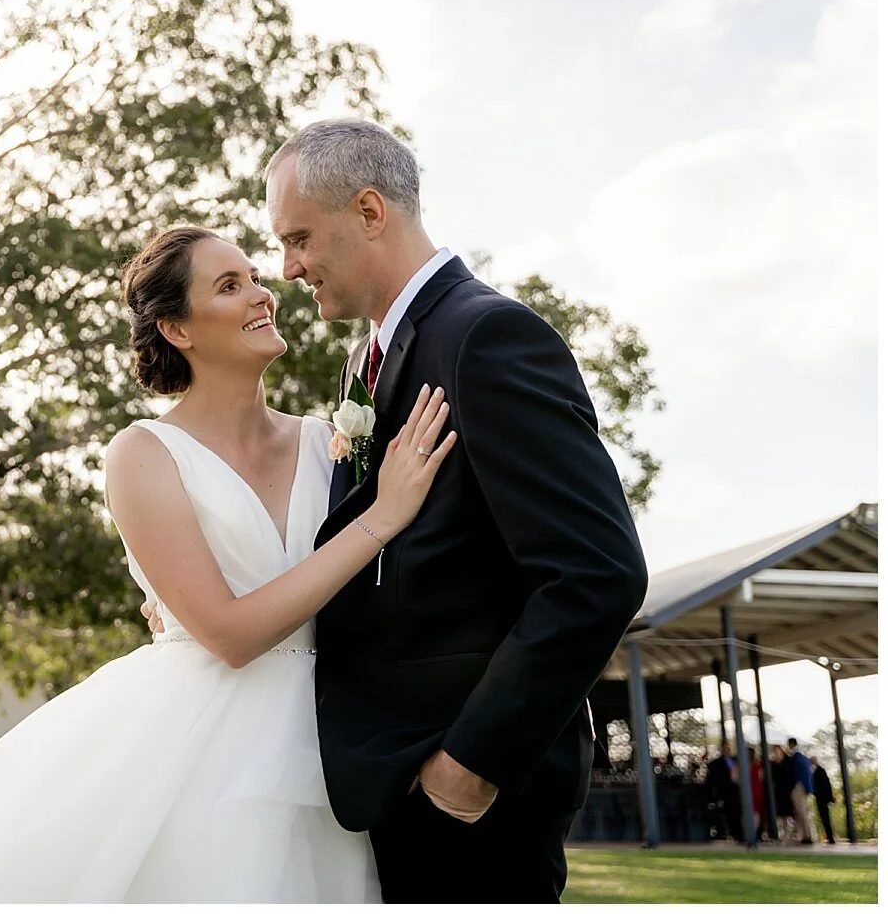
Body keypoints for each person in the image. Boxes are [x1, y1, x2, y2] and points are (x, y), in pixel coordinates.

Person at [0, 226, 456, 902]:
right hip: (195, 748)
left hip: (332, 742)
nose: (262, 293)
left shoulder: (326, 443)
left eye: (254, 276)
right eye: (230, 285)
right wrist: (380, 518)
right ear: (177, 329)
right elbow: (231, 632)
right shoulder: (142, 453)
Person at [149, 119, 648, 901]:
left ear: (371, 212)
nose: (288, 268)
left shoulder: (485, 336)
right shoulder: (365, 359)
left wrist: (472, 763)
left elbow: (597, 573)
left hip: (471, 797)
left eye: (298, 238)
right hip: (377, 783)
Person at [705, 742, 742, 841]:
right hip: (725, 791)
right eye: (726, 748)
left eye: (729, 748)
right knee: (728, 812)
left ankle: (737, 832)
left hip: (736, 791)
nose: (728, 750)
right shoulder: (715, 764)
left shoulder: (736, 760)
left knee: (737, 812)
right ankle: (727, 832)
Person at [787, 738, 815, 844]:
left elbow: (795, 774)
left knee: (801, 812)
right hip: (803, 787)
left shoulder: (796, 758)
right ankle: (802, 835)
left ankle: (807, 835)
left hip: (799, 787)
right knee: (800, 812)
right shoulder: (803, 758)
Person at [812, 758, 837, 844]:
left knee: (825, 818)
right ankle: (829, 836)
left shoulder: (819, 772)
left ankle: (830, 837)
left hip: (822, 799)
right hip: (823, 798)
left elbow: (823, 786)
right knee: (825, 818)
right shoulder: (821, 771)